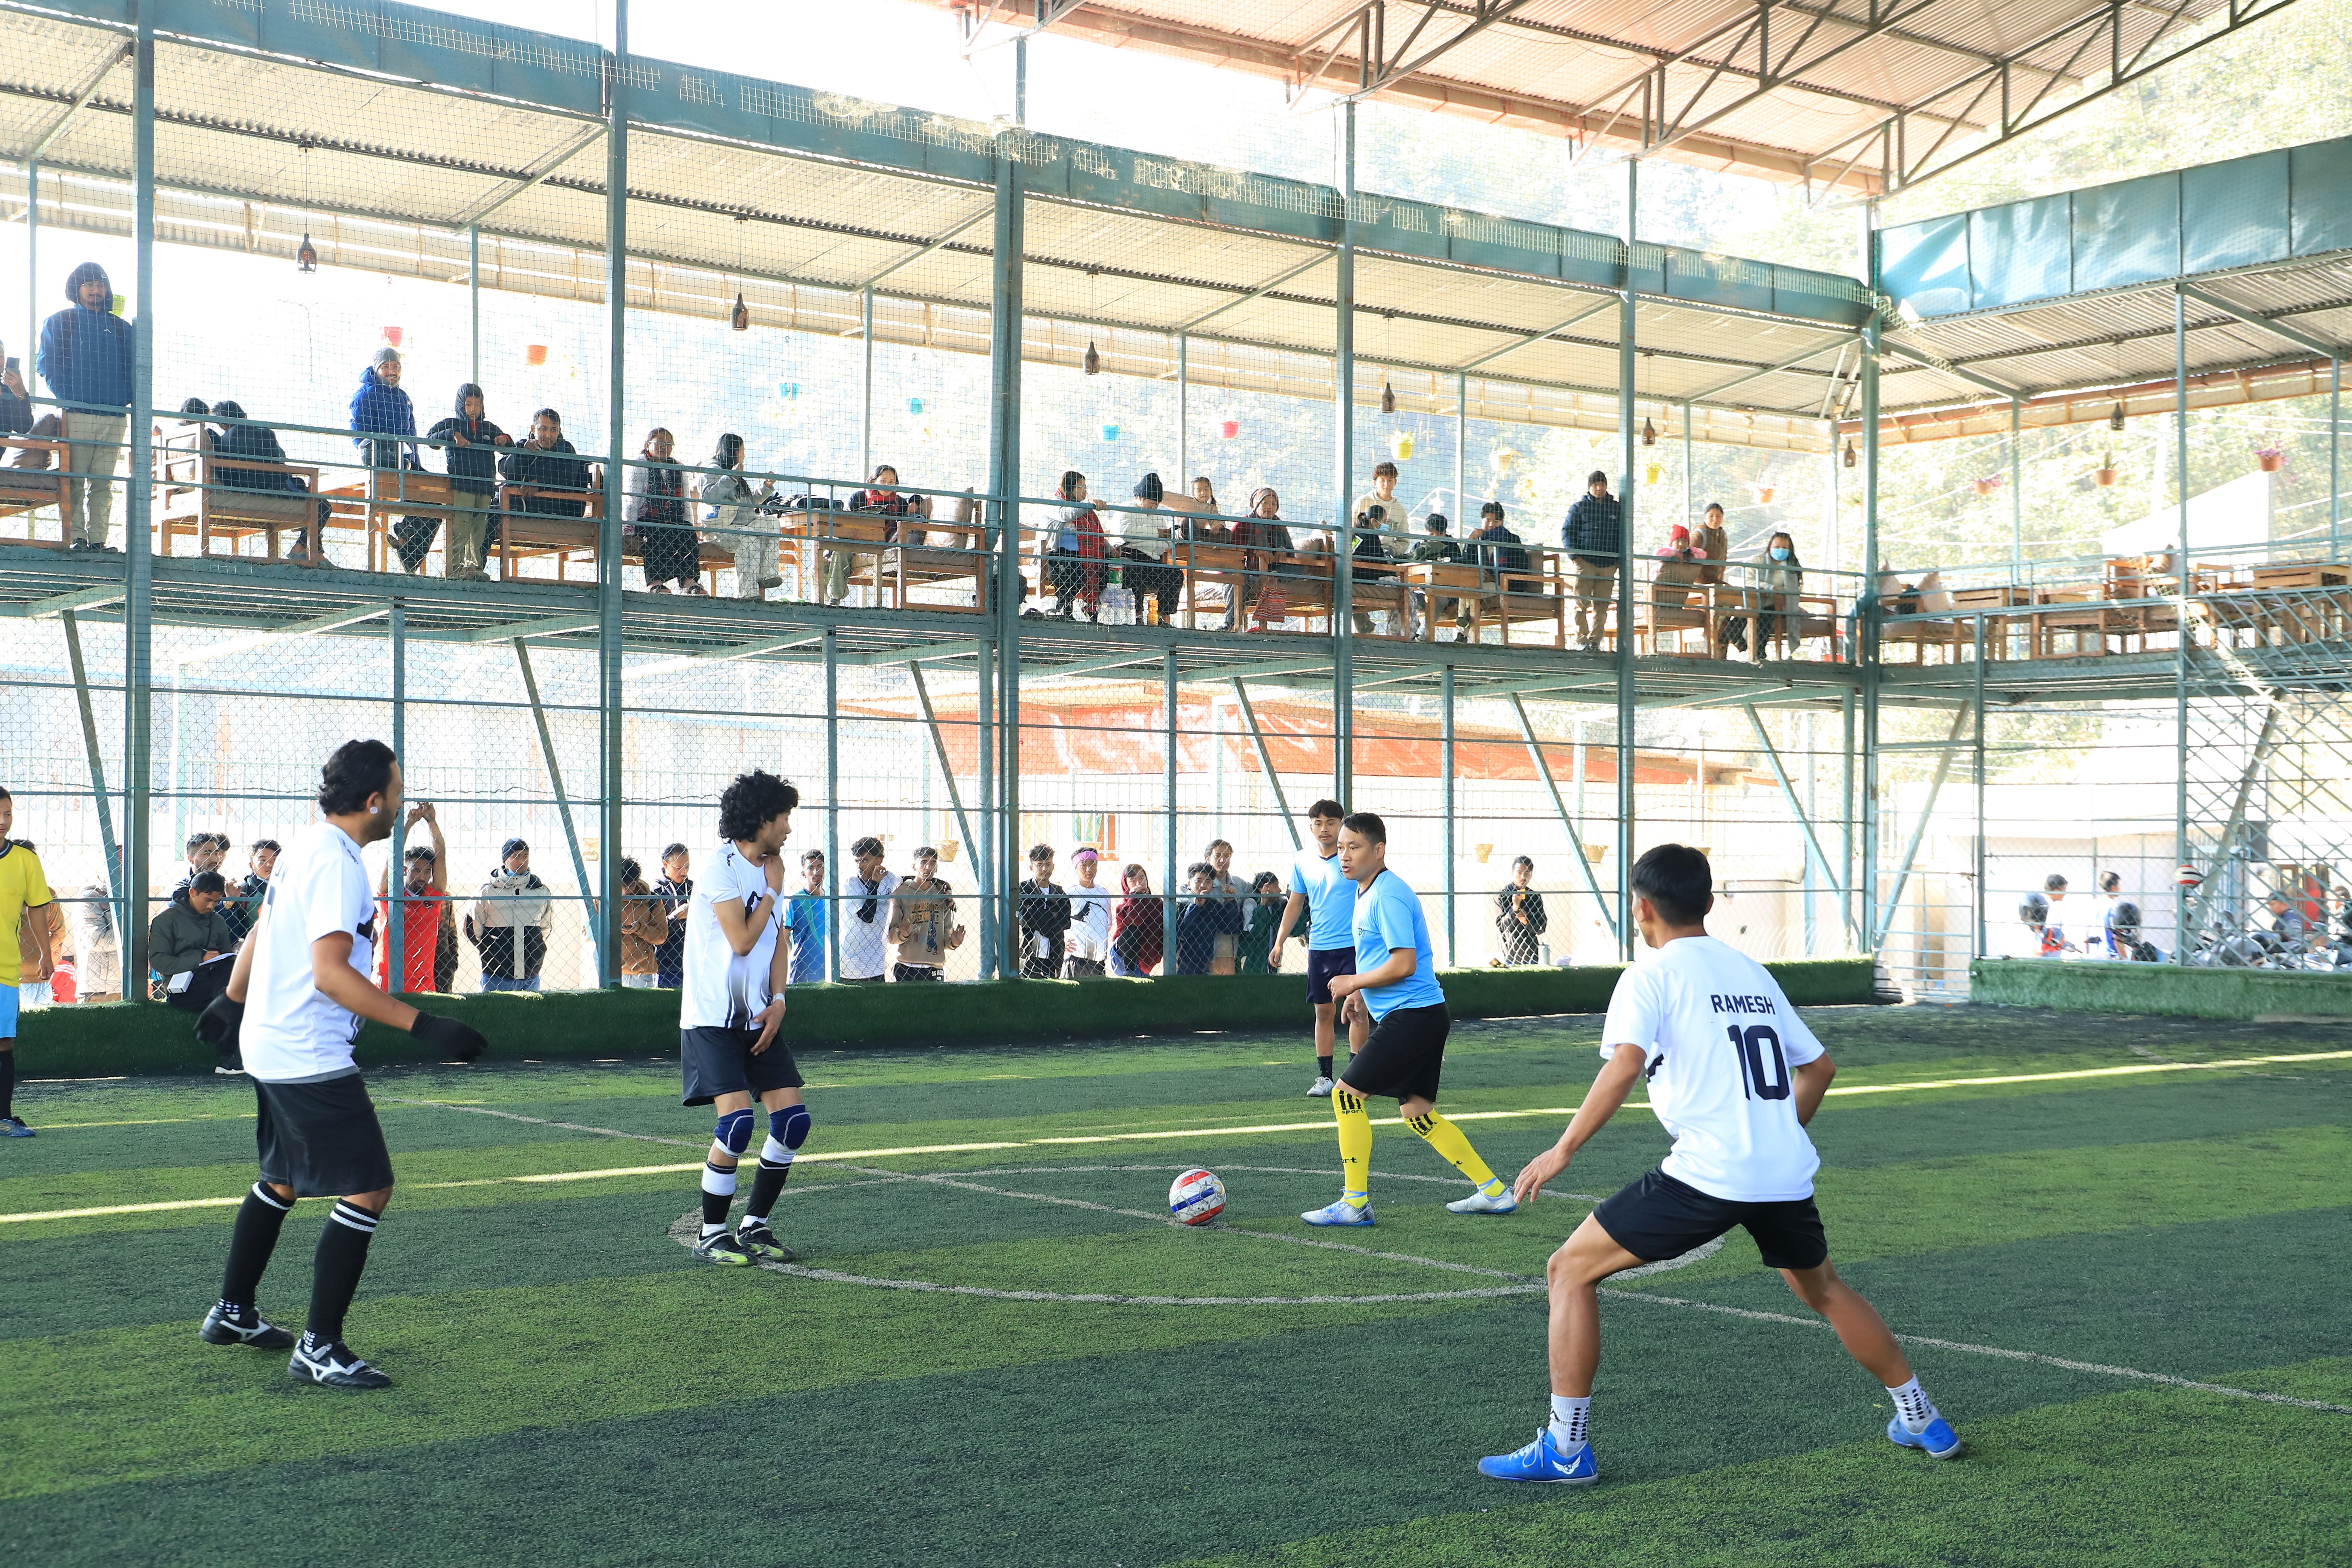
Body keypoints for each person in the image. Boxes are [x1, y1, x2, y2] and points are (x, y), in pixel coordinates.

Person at [1477, 843, 1960, 1484]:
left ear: (1641, 908)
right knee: (1824, 1290)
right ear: (1707, 904)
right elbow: (1819, 1068)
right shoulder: (1752, 973)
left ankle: (1566, 1451)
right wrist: (1775, 1134)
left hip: (1709, 1173)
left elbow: (1624, 1064)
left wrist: (1562, 1149)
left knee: (1568, 1270)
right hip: (1781, 1172)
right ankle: (1922, 1416)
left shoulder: (1649, 976)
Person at [193, 738, 487, 1389]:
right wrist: (424, 1023)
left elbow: (265, 931)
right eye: (398, 789)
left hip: (273, 1042)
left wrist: (232, 1001)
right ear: (376, 799)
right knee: (368, 1186)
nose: (403, 801)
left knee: (282, 1177)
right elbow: (329, 973)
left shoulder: (308, 845)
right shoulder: (338, 864)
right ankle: (320, 1347)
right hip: (306, 1049)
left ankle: (233, 1311)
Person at [1303, 810, 1514, 1227]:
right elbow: (1385, 956)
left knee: (1345, 1095)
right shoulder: (1368, 891)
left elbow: (1403, 963)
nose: (1343, 855)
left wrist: (1353, 981)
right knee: (1418, 1114)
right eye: (1341, 847)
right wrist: (1362, 993)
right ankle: (1494, 1192)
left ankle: (1355, 1202)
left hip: (1413, 1017)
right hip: (1420, 1015)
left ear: (1379, 850)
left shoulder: (1388, 894)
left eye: (1354, 846)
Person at [675, 768, 807, 1268]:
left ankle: (754, 1226)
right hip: (711, 1022)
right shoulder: (720, 869)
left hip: (759, 1018)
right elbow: (742, 939)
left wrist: (779, 1000)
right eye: (784, 818)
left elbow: (777, 941)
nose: (789, 828)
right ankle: (712, 1234)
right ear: (760, 819)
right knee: (735, 1127)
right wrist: (772, 889)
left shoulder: (772, 867)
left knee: (793, 1121)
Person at [36, 261, 133, 552]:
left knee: (104, 484)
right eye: (89, 284)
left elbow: (136, 369)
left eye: (101, 284)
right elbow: (46, 364)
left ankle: (99, 541)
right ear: (76, 289)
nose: (96, 290)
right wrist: (68, 397)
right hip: (76, 413)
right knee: (74, 480)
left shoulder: (122, 328)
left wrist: (124, 397)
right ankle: (75, 538)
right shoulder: (60, 321)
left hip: (114, 415)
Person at [1270, 799, 1363, 1097]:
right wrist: (1280, 941)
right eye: (1318, 823)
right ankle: (1325, 1078)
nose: (1325, 829)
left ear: (1342, 824)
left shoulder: (1353, 857)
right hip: (1320, 949)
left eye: (1331, 823)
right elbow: (1296, 903)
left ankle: (1358, 1078)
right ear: (1311, 826)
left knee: (1357, 1011)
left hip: (1354, 947)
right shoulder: (1302, 860)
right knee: (1324, 1013)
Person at [211, 401, 334, 564]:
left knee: (314, 503)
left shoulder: (221, 442)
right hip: (270, 490)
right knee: (322, 505)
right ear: (244, 416)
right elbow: (280, 461)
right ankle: (304, 550)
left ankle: (312, 552)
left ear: (223, 424)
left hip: (241, 489)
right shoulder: (264, 433)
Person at [0, 792, 56, 1134]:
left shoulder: (25, 860)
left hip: (5, 968)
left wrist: (46, 954)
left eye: (7, 813)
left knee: (4, 1043)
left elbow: (37, 909)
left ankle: (3, 1118)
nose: (3, 821)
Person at [350, 347, 432, 572]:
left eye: (395, 366)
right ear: (377, 369)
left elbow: (411, 432)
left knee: (435, 499)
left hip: (404, 461)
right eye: (386, 367)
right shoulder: (365, 395)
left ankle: (406, 543)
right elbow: (359, 435)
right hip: (379, 461)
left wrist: (413, 457)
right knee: (426, 497)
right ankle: (405, 542)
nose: (391, 371)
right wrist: (377, 453)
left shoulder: (403, 397)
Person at [422, 382, 510, 580]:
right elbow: (430, 439)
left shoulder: (489, 428)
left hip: (486, 487)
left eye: (477, 405)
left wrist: (504, 439)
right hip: (462, 485)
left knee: (479, 530)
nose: (473, 410)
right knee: (460, 528)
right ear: (461, 405)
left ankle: (474, 569)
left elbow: (508, 445)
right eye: (469, 405)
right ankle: (453, 570)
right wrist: (452, 435)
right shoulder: (451, 425)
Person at [373, 802, 447, 995]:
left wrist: (432, 821)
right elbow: (394, 854)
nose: (422, 876)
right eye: (416, 870)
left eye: (427, 872)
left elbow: (441, 855)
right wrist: (409, 824)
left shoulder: (434, 895)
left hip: (423, 981)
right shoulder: (391, 893)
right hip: (388, 977)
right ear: (405, 870)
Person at [837, 464, 929, 603]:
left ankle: (835, 598)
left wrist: (914, 502)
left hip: (885, 544)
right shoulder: (859, 498)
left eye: (891, 482)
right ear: (874, 481)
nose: (887, 485)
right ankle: (835, 597)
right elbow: (850, 524)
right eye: (883, 481)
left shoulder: (899, 502)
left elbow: (917, 498)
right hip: (859, 542)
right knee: (839, 553)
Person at [701, 433, 777, 600]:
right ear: (733, 451)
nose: (744, 455)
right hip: (722, 529)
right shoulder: (713, 469)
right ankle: (747, 593)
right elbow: (708, 497)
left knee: (772, 523)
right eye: (742, 450)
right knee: (749, 538)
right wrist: (731, 478)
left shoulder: (735, 470)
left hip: (744, 526)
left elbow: (749, 503)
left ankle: (768, 574)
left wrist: (766, 487)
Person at [470, 839, 552, 991]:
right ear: (505, 859)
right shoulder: (487, 891)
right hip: (495, 975)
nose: (522, 861)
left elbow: (545, 927)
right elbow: (473, 928)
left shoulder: (541, 891)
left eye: (526, 856)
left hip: (530, 975)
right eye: (516, 856)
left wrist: (535, 949)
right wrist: (491, 949)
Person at [624, 426, 699, 594]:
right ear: (648, 444)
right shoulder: (640, 464)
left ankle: (689, 581)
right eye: (660, 443)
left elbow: (685, 501)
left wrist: (690, 525)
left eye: (669, 444)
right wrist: (628, 527)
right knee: (658, 530)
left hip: (673, 518)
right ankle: (655, 582)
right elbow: (632, 498)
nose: (665, 447)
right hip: (646, 518)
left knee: (687, 532)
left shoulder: (678, 467)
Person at [1563, 471, 1622, 651]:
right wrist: (1575, 557)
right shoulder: (1579, 508)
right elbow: (1567, 531)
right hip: (1586, 562)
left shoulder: (1616, 508)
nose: (1599, 488)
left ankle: (1595, 641)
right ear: (1590, 487)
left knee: (1602, 605)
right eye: (1595, 485)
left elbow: (1622, 534)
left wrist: (1617, 561)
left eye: (1602, 485)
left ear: (1606, 486)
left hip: (1608, 565)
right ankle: (1582, 640)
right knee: (1581, 603)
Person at [1113, 473, 1183, 625]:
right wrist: (1156, 534)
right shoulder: (1126, 509)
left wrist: (1166, 537)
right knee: (1133, 569)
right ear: (1139, 498)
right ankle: (1137, 614)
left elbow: (1164, 543)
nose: (1154, 507)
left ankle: (1161, 616)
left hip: (1153, 560)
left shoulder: (1159, 516)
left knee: (1174, 575)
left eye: (1157, 504)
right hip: (1130, 556)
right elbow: (1126, 533)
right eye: (1151, 503)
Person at [499, 408, 590, 522]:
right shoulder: (523, 445)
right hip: (516, 508)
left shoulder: (566, 450)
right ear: (533, 430)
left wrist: (539, 483)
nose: (548, 435)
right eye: (543, 429)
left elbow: (567, 480)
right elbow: (504, 470)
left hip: (553, 510)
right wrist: (523, 454)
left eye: (553, 430)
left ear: (559, 431)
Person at [888, 847, 963, 982]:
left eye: (933, 863)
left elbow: (946, 933)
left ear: (937, 868)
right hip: (906, 965)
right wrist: (903, 933)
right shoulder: (901, 892)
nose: (928, 867)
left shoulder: (943, 894)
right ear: (914, 866)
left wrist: (954, 942)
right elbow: (891, 935)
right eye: (923, 862)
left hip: (935, 967)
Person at [1348, 462, 1406, 634]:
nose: (1386, 484)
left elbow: (1404, 540)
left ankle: (1394, 633)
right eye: (1382, 480)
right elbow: (1350, 533)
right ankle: (1366, 630)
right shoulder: (1363, 502)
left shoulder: (1399, 510)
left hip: (1386, 556)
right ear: (1375, 482)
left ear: (1395, 482)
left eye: (1390, 480)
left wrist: (1391, 553)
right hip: (1362, 556)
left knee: (1396, 585)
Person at [1227, 486, 1295, 631]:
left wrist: (1282, 551)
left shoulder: (1280, 526)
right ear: (1256, 504)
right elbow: (1232, 550)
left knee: (1295, 569)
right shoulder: (1244, 523)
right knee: (1239, 581)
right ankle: (1231, 624)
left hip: (1275, 569)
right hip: (1246, 570)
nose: (1270, 507)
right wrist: (1255, 551)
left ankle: (1273, 576)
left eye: (1274, 504)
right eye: (1265, 503)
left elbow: (1291, 552)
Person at [1043, 471, 1107, 622]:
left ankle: (1091, 607)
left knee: (1104, 569)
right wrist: (1090, 504)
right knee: (1071, 567)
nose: (1084, 491)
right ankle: (1065, 611)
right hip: (1058, 554)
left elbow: (1097, 535)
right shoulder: (1055, 504)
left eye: (1085, 487)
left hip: (1083, 555)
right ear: (1068, 488)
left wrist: (1110, 549)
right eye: (1080, 487)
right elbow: (1067, 515)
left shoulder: (1085, 512)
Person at [838, 838, 898, 984]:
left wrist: (940, 883)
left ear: (879, 861)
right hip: (851, 963)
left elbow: (909, 882)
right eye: (857, 861)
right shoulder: (852, 884)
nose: (860, 866)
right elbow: (867, 916)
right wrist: (875, 884)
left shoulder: (889, 879)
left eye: (865, 860)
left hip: (876, 964)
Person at [1173, 862, 1243, 976]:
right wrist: (1195, 907)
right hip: (1181, 964)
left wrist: (1231, 902)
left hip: (1206, 964)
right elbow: (1183, 933)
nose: (1203, 885)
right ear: (1189, 884)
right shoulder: (1181, 904)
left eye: (1208, 882)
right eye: (1198, 881)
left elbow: (1230, 928)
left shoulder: (1213, 905)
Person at [1746, 531, 1804, 662]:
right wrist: (1769, 587)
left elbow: (1794, 589)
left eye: (1784, 548)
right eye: (1777, 547)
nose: (1780, 551)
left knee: (1766, 615)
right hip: (1756, 602)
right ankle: (1747, 649)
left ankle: (1759, 654)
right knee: (1738, 622)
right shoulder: (1758, 561)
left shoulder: (1792, 567)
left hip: (1781, 605)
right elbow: (1748, 581)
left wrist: (1779, 591)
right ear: (1770, 546)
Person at [1018, 844, 1073, 978]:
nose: (1045, 869)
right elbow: (1024, 918)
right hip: (1028, 954)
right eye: (1040, 865)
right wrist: (1051, 914)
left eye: (1048, 864)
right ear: (1032, 867)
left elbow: (1066, 922)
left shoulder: (1059, 892)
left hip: (1054, 956)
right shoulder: (1024, 889)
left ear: (1053, 866)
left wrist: (1037, 914)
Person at [1407, 512, 1462, 640]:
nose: (1436, 538)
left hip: (1445, 592)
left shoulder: (1452, 547)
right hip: (1421, 591)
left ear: (1445, 533)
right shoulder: (1418, 547)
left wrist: (1454, 602)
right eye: (1432, 534)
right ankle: (1407, 632)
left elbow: (1459, 574)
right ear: (1425, 531)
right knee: (1404, 595)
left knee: (1439, 600)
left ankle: (1420, 636)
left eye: (1440, 534)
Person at [1064, 847, 1113, 977]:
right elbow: (1061, 924)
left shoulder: (1103, 893)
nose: (1088, 869)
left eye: (1092, 864)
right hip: (1077, 958)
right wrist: (1062, 942)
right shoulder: (1070, 894)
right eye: (1083, 865)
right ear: (1076, 868)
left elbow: (1108, 923)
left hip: (1099, 959)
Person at [617, 856, 663, 989]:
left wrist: (641, 929)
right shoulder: (602, 899)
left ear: (637, 882)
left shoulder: (652, 900)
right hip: (613, 973)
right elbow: (589, 934)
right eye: (621, 887)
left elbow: (661, 936)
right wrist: (615, 928)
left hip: (643, 973)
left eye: (630, 886)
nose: (625, 892)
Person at [1110, 864, 1163, 977]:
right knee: (1133, 928)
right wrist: (1135, 896)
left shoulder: (1156, 903)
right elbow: (1136, 920)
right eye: (1133, 880)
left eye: (1142, 878)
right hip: (1123, 958)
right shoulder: (1123, 908)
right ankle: (1129, 971)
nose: (1139, 884)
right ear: (1126, 884)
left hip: (1145, 957)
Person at [1200, 839, 1243, 974]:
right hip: (1205, 950)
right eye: (1218, 856)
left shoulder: (1240, 885)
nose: (1223, 860)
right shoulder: (1201, 885)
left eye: (1227, 856)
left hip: (1231, 950)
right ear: (1208, 859)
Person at [786, 849, 829, 985]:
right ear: (804, 874)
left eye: (820, 867)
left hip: (827, 966)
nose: (816, 872)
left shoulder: (831, 900)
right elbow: (785, 935)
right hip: (801, 967)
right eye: (811, 868)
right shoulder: (796, 900)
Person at [1497, 855, 1548, 966]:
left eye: (1527, 873)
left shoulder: (1535, 897)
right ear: (1513, 873)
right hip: (1509, 952)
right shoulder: (1503, 895)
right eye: (1519, 872)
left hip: (1531, 952)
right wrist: (1515, 908)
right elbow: (1502, 925)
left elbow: (1541, 927)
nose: (1523, 876)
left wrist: (1526, 920)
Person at [654, 844, 692, 989]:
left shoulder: (695, 888)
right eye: (678, 868)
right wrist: (676, 917)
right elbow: (654, 931)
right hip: (667, 964)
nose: (684, 872)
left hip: (694, 961)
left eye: (687, 867)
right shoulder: (657, 892)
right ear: (666, 864)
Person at [1237, 872, 1284, 975]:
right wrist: (1262, 906)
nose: (1280, 890)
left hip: (1270, 961)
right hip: (1251, 962)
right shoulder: (1251, 903)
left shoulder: (1276, 907)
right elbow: (1253, 932)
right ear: (1263, 889)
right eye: (1275, 886)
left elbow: (1295, 931)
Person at [1692, 502, 1730, 586]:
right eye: (1711, 516)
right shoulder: (1698, 535)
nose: (1715, 519)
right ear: (1705, 518)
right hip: (1700, 583)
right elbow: (1690, 561)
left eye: (1719, 516)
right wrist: (1701, 583)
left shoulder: (1722, 536)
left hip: (1715, 582)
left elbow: (1724, 560)